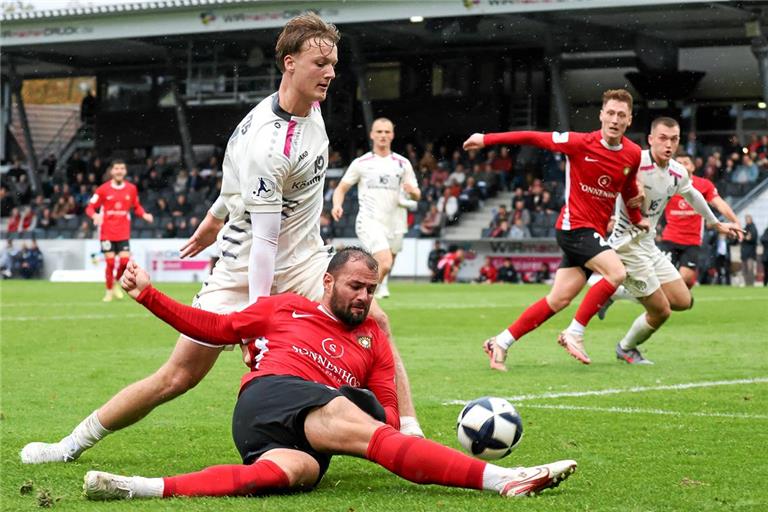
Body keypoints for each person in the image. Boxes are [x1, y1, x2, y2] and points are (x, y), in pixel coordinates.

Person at [20, 13, 422, 467]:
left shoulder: (312, 106)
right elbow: (264, 242)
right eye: (320, 63)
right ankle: (69, 445)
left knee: (377, 321)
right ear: (289, 64)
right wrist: (257, 322)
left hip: (306, 262)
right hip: (244, 269)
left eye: (333, 63)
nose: (330, 72)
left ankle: (409, 431)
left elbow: (232, 185)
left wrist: (213, 219)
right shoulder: (267, 143)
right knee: (178, 376)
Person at [83, 250, 577, 501]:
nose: (363, 297)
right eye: (355, 286)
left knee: (288, 474)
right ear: (327, 281)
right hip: (269, 395)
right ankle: (503, 479)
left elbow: (384, 416)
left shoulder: (373, 340)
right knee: (350, 420)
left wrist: (382, 416)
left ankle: (139, 487)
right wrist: (149, 295)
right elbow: (216, 327)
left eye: (371, 289)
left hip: (301, 434)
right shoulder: (283, 308)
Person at [464, 89, 648, 371]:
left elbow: (628, 189)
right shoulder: (579, 143)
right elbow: (532, 137)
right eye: (610, 113)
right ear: (601, 115)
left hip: (593, 233)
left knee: (559, 299)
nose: (614, 119)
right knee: (616, 272)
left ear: (629, 120)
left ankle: (500, 342)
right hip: (575, 228)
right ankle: (575, 332)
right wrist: (487, 139)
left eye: (621, 115)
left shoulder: (633, 154)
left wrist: (636, 218)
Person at [589, 117, 742, 364]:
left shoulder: (677, 172)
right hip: (626, 246)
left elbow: (693, 195)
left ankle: (613, 293)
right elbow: (608, 181)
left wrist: (715, 223)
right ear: (651, 139)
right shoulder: (634, 161)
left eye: (674, 139)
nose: (668, 144)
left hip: (648, 245)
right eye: (662, 138)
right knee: (661, 310)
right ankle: (626, 347)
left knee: (682, 301)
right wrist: (611, 210)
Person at [331, 117, 421, 299]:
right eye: (379, 131)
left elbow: (417, 194)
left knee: (389, 260)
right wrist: (337, 205)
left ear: (392, 135)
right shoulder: (361, 163)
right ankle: (355, 295)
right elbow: (341, 188)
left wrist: (412, 192)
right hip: (370, 220)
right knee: (385, 261)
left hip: (396, 220)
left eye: (387, 132)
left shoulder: (402, 163)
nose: (383, 135)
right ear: (372, 135)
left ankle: (377, 287)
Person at [658, 153, 741, 289]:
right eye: (678, 163)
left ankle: (679, 293)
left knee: (686, 279)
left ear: (692, 167)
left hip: (692, 242)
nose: (681, 166)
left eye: (685, 163)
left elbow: (719, 203)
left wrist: (736, 221)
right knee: (664, 280)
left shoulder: (703, 185)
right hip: (670, 239)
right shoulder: (665, 183)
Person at [84, 159, 154, 302]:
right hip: (107, 232)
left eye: (122, 168)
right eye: (116, 168)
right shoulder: (103, 189)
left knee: (124, 262)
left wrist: (144, 214)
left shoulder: (131, 189)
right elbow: (89, 208)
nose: (119, 171)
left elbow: (136, 206)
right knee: (110, 263)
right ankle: (109, 291)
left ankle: (116, 282)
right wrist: (95, 215)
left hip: (123, 233)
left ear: (125, 171)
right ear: (112, 171)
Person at [741, 215, 758, 287]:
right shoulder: (745, 228)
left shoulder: (753, 228)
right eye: (746, 219)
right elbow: (743, 237)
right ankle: (746, 283)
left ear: (751, 219)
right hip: (744, 253)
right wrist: (745, 237)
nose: (746, 221)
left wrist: (745, 238)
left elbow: (751, 238)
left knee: (750, 269)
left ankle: (751, 283)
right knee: (744, 269)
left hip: (750, 253)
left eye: (748, 219)